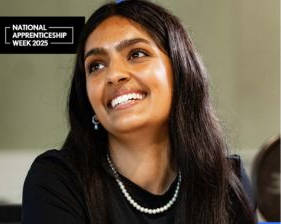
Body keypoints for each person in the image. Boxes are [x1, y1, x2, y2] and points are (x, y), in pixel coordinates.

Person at [22, 0, 257, 223]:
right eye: (96, 65)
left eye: (136, 54)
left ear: (180, 72)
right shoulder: (56, 181)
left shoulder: (226, 181)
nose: (113, 75)